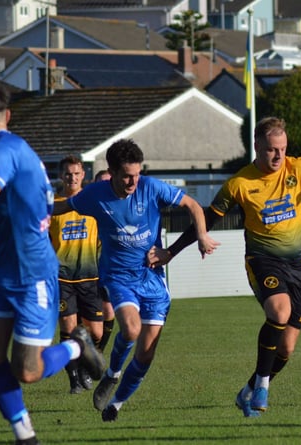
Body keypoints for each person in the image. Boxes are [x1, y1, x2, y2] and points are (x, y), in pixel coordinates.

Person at [149, 117, 301, 417]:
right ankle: (262, 386)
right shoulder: (240, 183)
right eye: (272, 150)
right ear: (257, 146)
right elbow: (209, 216)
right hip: (263, 261)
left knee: (287, 348)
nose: (279, 156)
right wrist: (171, 252)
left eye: (283, 149)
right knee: (279, 311)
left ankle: (247, 391)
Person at [0, 82, 104, 445]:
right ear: (8, 114)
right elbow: (26, 210)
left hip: (31, 274)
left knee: (28, 370)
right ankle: (26, 436)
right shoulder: (17, 152)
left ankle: (76, 345)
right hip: (0, 270)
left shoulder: (3, 150)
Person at [52, 139, 219, 422]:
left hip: (152, 279)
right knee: (129, 330)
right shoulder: (95, 195)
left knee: (146, 354)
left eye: (137, 174)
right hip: (118, 277)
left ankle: (115, 404)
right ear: (113, 172)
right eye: (127, 176)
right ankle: (112, 373)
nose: (133, 181)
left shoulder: (151, 187)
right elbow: (60, 207)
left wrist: (201, 236)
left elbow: (192, 205)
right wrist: (20, 211)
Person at [50, 155, 105, 394]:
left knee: (96, 332)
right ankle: (73, 379)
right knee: (70, 329)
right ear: (62, 176)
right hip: (61, 277)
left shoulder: (92, 201)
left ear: (83, 175)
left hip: (90, 276)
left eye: (76, 173)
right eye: (68, 173)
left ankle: (84, 366)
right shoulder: (52, 204)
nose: (72, 177)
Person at [93, 169, 116, 353]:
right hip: (83, 268)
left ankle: (99, 351)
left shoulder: (117, 207)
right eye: (101, 182)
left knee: (109, 311)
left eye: (109, 182)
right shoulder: (86, 204)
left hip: (106, 268)